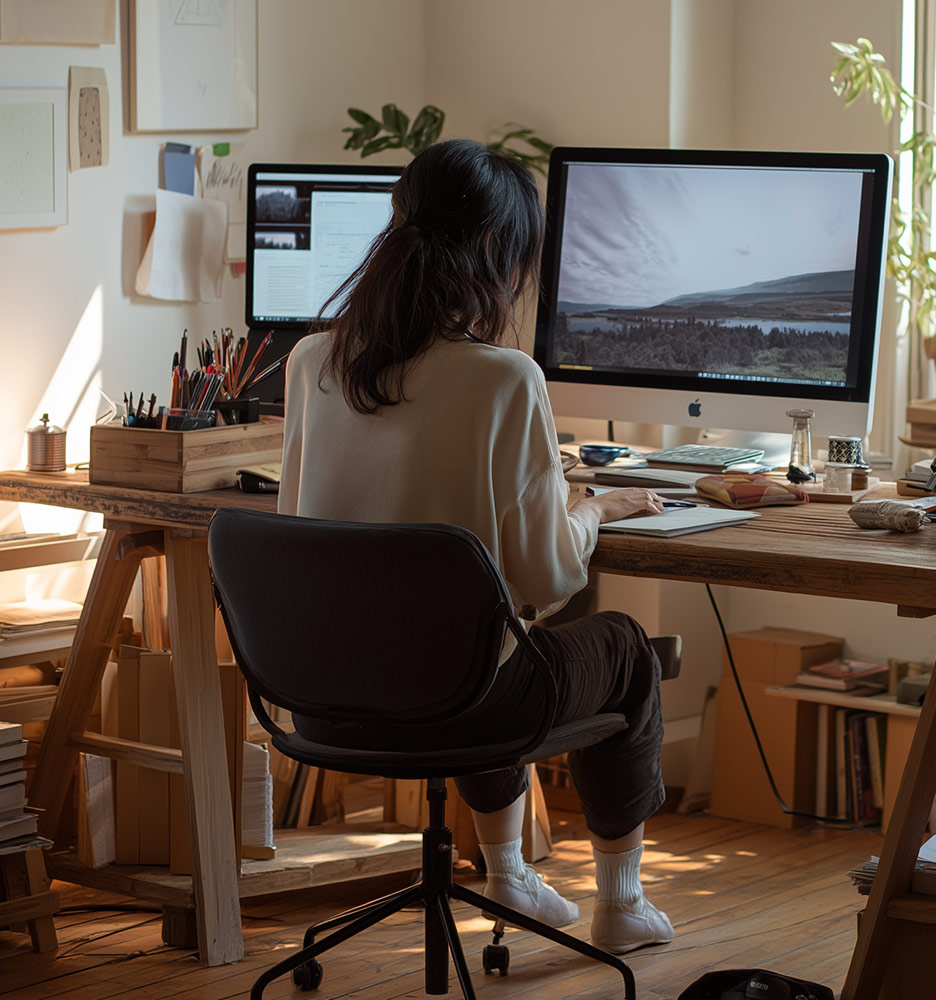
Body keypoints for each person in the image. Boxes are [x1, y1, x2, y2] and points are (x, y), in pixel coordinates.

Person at [277, 138, 675, 954]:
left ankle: (509, 874)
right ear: (496, 251)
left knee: (481, 645)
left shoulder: (312, 361)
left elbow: (297, 533)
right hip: (455, 705)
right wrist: (591, 507)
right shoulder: (504, 378)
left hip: (321, 703)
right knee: (621, 650)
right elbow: (548, 573)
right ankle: (623, 903)